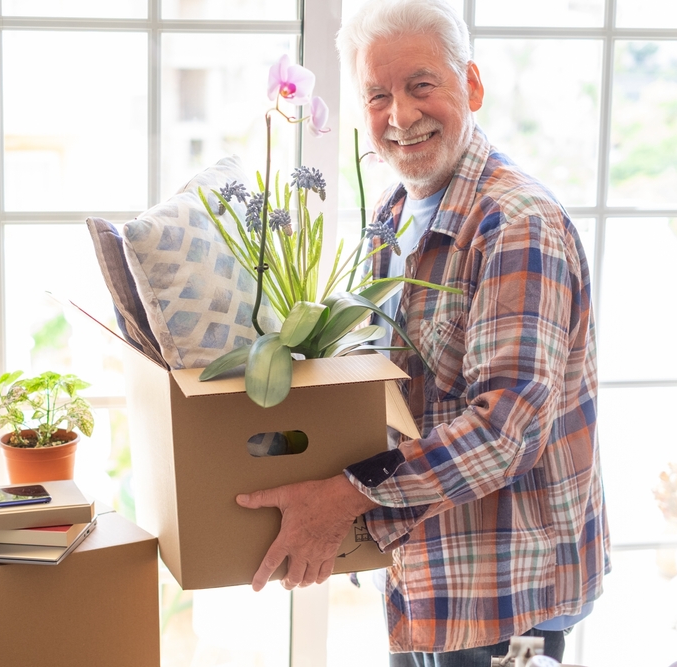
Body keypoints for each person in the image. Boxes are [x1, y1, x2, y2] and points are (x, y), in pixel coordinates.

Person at [235, 0, 611, 663]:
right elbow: (389, 385)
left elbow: (505, 429)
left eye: (421, 85)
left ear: (471, 84)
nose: (400, 116)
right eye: (377, 94)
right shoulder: (391, 209)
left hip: (506, 591)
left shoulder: (514, 223)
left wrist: (345, 496)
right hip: (423, 569)